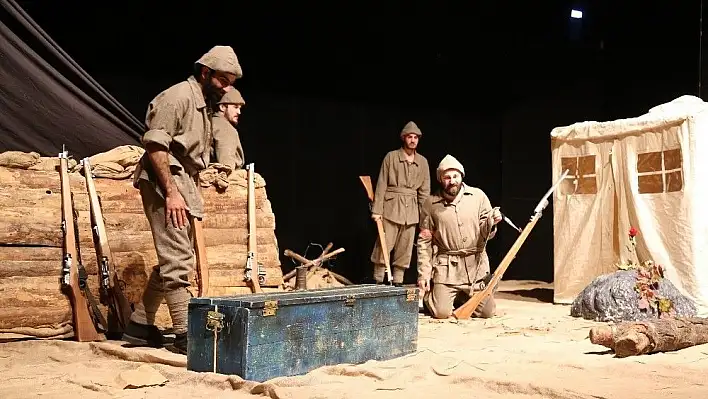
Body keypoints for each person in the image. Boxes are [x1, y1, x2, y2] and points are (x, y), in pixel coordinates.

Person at [122, 45, 242, 354]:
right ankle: (186, 335)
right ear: (205, 72)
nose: (227, 88)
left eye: (230, 82)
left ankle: (139, 325)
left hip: (183, 180)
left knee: (176, 256)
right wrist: (172, 191)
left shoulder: (202, 103)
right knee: (177, 258)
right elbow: (155, 146)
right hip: (165, 180)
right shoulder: (178, 97)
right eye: (223, 80)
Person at [416, 154, 502, 319]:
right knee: (441, 312)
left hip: (475, 268)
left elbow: (486, 234)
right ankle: (437, 294)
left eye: (455, 176)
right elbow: (424, 242)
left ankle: (463, 296)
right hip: (447, 269)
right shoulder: (430, 204)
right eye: (447, 177)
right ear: (441, 180)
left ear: (461, 176)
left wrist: (492, 221)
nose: (452, 180)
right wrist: (424, 274)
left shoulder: (478, 197)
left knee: (487, 312)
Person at [370, 121, 430, 286]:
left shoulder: (423, 162)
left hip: (411, 212)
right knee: (384, 245)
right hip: (391, 208)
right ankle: (378, 280)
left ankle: (398, 282)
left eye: (415, 137)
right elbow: (381, 184)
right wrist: (377, 211)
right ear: (404, 138)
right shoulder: (391, 157)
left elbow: (424, 194)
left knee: (405, 249)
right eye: (409, 137)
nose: (412, 140)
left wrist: (424, 220)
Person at [211, 89, 246, 172]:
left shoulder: (211, 122)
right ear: (222, 107)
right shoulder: (225, 127)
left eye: (240, 108)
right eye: (235, 107)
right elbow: (226, 165)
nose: (239, 112)